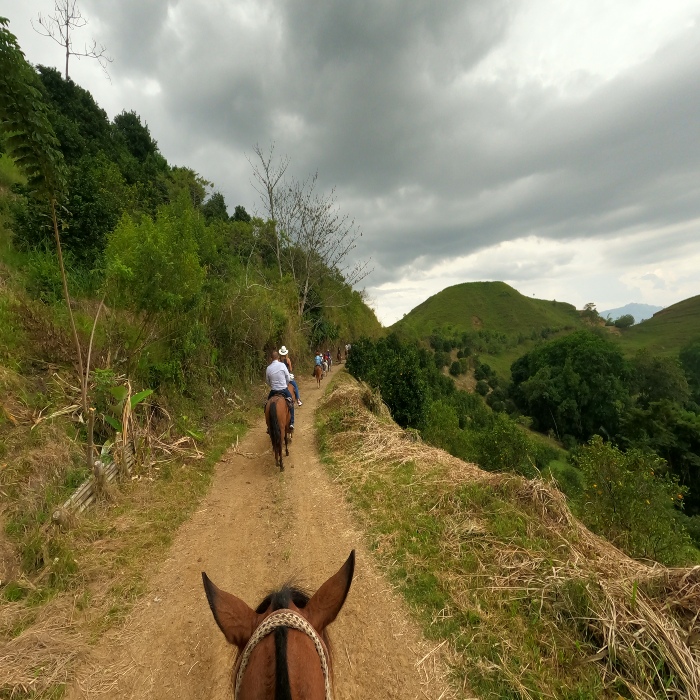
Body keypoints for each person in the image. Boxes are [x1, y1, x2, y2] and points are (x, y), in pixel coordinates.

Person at [265, 350, 294, 429]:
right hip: (284, 389)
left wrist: (273, 385)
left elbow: (267, 381)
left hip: (273, 390)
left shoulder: (268, 368)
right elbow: (288, 377)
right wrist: (285, 384)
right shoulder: (282, 365)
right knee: (291, 403)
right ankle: (291, 422)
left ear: (271, 359)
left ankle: (268, 426)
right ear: (278, 357)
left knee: (267, 404)